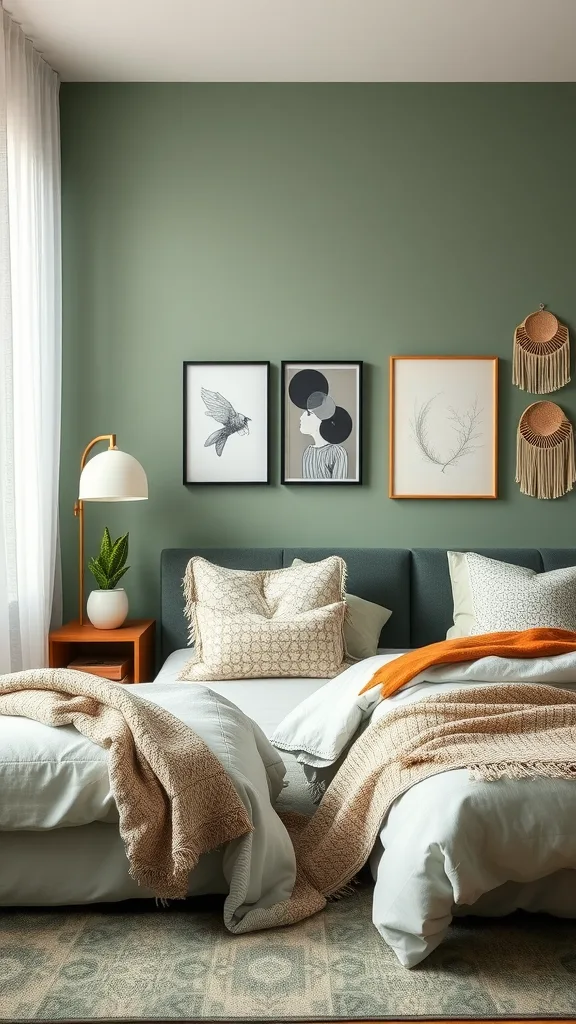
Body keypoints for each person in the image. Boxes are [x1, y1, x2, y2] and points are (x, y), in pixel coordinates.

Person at [288, 370, 352, 481]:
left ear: (321, 420)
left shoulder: (337, 453)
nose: (301, 417)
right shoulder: (308, 452)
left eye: (308, 413)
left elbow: (340, 487)